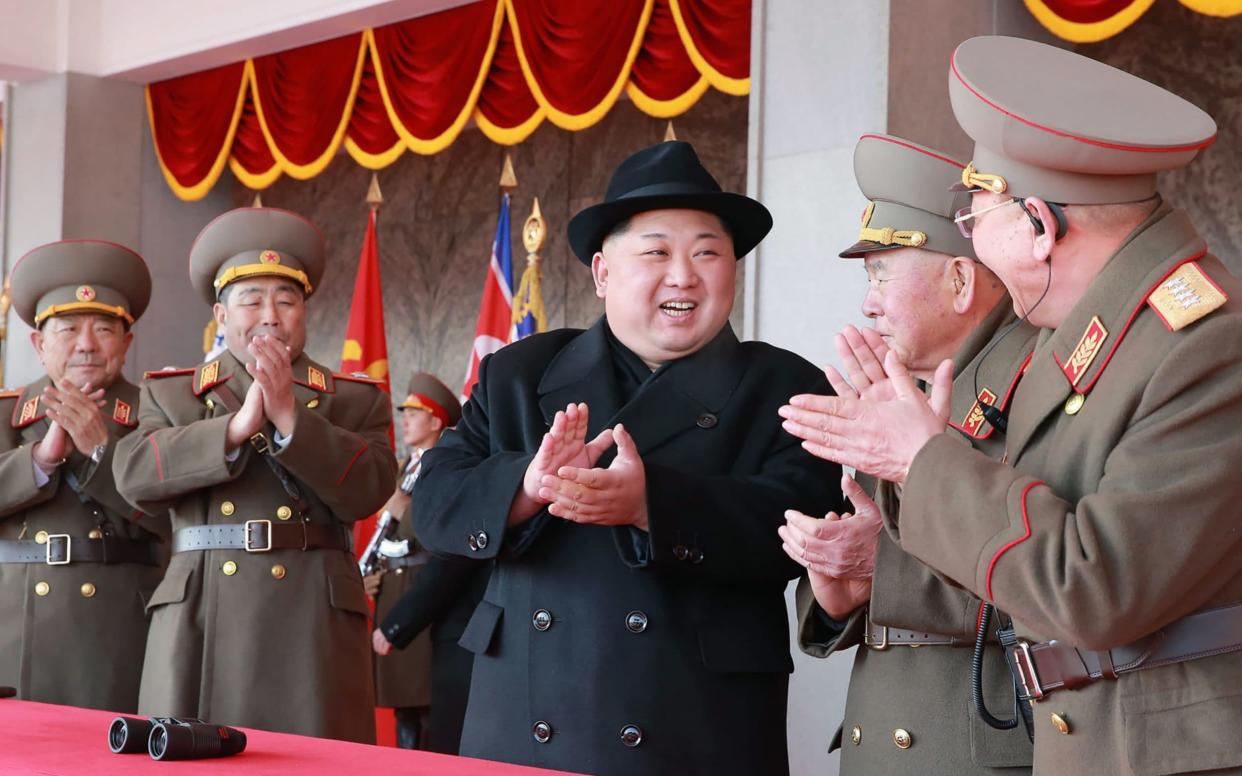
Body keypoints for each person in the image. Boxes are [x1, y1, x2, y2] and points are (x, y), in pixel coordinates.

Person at [780, 37, 1242, 775]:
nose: (977, 252)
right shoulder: (1102, 343)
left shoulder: (1201, 345)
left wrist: (920, 460)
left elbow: (1094, 587)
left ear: (1039, 226)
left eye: (976, 221)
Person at [411, 141, 842, 776]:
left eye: (707, 253)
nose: (684, 275)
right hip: (527, 717)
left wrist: (651, 506)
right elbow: (435, 502)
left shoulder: (783, 385)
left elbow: (803, 524)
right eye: (656, 252)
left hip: (699, 726)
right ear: (602, 273)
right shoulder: (521, 373)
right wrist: (526, 487)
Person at [781, 133, 1035, 774]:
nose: (868, 302)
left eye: (881, 273)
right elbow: (868, 565)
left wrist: (881, 568)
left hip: (977, 745)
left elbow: (1059, 575)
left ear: (958, 279)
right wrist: (836, 589)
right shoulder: (902, 392)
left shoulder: (1038, 384)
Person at [112, 207, 397, 743]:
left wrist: (292, 415)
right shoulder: (173, 394)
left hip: (311, 617)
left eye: (286, 300)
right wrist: (232, 430)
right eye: (252, 300)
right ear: (221, 315)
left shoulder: (354, 399)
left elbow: (370, 489)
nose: (271, 315)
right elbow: (133, 477)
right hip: (200, 615)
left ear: (305, 313)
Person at [0, 240, 165, 712]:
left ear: (127, 342)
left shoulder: (160, 411)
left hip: (118, 625)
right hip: (15, 618)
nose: (86, 344)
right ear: (39, 343)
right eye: (69, 328)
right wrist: (41, 458)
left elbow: (175, 519)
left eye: (105, 329)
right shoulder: (8, 413)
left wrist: (100, 450)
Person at [367, 372, 487, 754]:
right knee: (404, 704)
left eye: (414, 413)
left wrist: (407, 509)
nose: (404, 419)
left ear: (437, 421)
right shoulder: (406, 468)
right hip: (397, 588)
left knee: (428, 707)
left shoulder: (446, 467)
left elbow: (446, 532)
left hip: (425, 591)